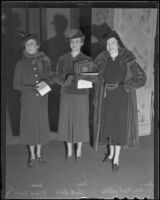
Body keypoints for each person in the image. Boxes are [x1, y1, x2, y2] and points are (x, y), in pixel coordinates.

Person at [93, 30, 147, 171]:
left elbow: (142, 77)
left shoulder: (128, 59)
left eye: (113, 43)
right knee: (109, 127)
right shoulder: (102, 60)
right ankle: (110, 154)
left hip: (122, 98)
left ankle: (116, 158)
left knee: (118, 128)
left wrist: (128, 85)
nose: (110, 45)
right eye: (108, 43)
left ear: (118, 44)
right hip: (107, 98)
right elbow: (96, 77)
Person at [13, 33, 55, 167]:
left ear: (37, 45)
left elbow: (51, 77)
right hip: (28, 101)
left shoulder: (44, 60)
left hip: (42, 99)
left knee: (40, 127)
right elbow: (16, 85)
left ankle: (39, 153)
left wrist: (48, 82)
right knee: (30, 128)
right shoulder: (20, 63)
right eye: (26, 44)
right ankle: (31, 155)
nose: (29, 46)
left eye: (31, 43)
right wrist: (31, 88)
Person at [56, 29, 96, 164]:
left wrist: (84, 78)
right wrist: (64, 80)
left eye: (77, 42)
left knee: (80, 123)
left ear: (82, 43)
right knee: (67, 123)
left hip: (81, 96)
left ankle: (78, 151)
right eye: (72, 42)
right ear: (69, 43)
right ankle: (69, 151)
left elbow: (93, 80)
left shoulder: (87, 59)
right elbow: (57, 76)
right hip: (67, 95)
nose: (74, 44)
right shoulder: (62, 59)